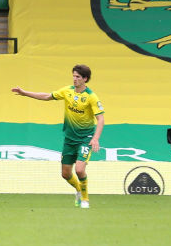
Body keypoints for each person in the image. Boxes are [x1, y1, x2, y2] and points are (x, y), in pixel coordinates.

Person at [12, 64, 104, 209]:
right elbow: (47, 96)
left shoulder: (91, 97)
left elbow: (101, 119)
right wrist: (25, 93)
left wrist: (95, 138)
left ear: (85, 79)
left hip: (85, 138)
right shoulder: (67, 91)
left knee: (79, 169)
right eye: (73, 76)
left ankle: (85, 200)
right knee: (66, 174)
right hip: (69, 138)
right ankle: (79, 190)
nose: (74, 79)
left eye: (78, 77)